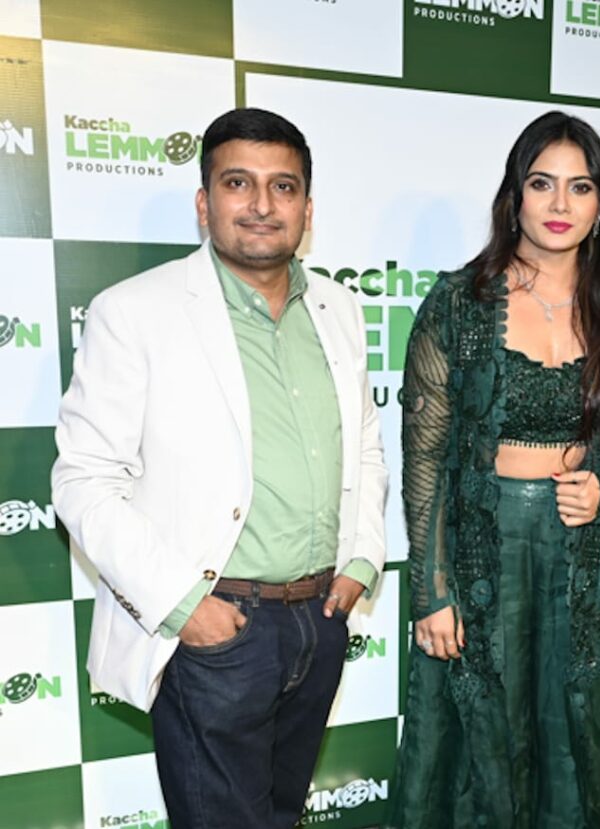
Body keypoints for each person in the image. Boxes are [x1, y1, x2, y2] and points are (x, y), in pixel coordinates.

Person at [51, 108, 387, 829]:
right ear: (205, 203)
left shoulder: (339, 308)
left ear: (307, 208)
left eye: (283, 186)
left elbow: (362, 441)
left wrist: (362, 556)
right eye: (239, 183)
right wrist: (186, 608)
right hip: (217, 628)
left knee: (282, 815)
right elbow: (82, 482)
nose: (262, 204)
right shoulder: (134, 312)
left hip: (319, 618)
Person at [388, 111, 600, 828]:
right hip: (483, 553)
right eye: (542, 184)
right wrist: (430, 589)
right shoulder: (459, 303)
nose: (560, 203)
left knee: (579, 741)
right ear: (515, 196)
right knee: (481, 741)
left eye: (580, 186)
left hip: (588, 558)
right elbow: (425, 454)